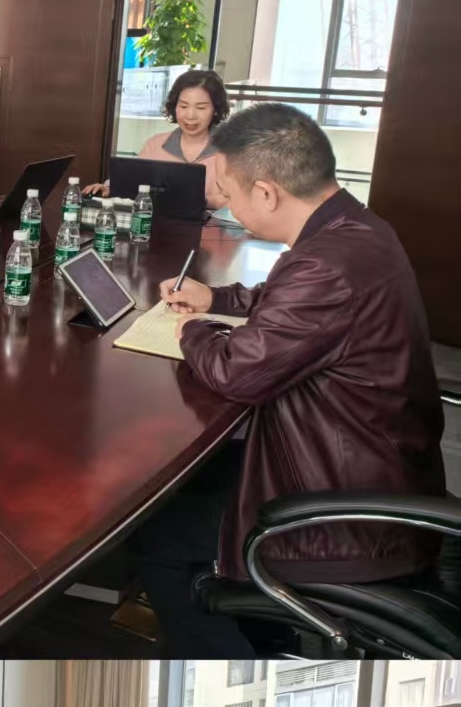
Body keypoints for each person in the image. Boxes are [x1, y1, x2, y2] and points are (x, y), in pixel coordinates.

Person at [130, 102, 446, 657]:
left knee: (154, 536)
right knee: (192, 482)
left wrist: (192, 330)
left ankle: (228, 671)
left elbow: (237, 372)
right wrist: (216, 297)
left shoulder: (326, 264)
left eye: (229, 192)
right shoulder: (356, 229)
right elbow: (290, 303)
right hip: (369, 468)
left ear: (267, 192)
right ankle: (266, 627)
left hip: (343, 515)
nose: (227, 203)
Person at [86, 69, 231, 207]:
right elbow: (134, 182)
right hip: (157, 222)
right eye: (183, 106)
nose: (190, 115)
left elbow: (238, 200)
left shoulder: (232, 150)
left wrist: (201, 201)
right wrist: (108, 188)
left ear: (216, 110)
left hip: (212, 224)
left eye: (201, 108)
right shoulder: (155, 145)